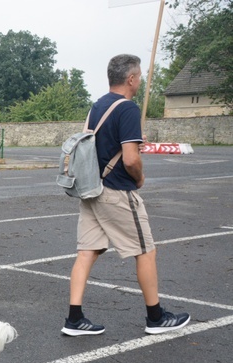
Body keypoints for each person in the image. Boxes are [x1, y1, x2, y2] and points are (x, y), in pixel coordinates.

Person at [61, 54, 190, 337]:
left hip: (91, 189)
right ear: (130, 79)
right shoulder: (128, 109)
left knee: (87, 251)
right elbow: (131, 160)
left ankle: (74, 318)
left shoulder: (96, 106)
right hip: (117, 191)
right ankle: (155, 317)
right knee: (145, 250)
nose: (141, 80)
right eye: (140, 76)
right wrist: (140, 178)